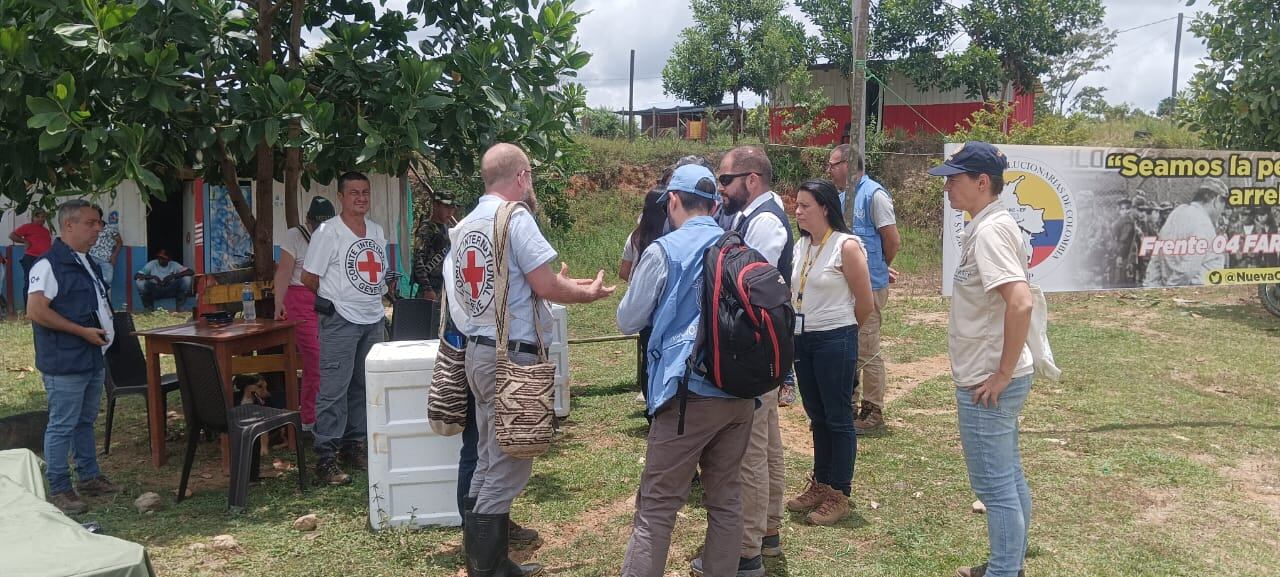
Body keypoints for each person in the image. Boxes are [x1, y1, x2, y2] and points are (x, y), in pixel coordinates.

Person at [443, 143, 614, 577]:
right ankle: (489, 568)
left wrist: (561, 282)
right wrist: (586, 293)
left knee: (487, 456)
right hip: (511, 358)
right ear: (521, 177)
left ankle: (483, 561)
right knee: (511, 464)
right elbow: (544, 286)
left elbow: (520, 282)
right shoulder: (515, 217)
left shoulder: (465, 225)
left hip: (478, 353)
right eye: (530, 175)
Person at [617, 164, 757, 577]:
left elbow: (627, 320)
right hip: (740, 392)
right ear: (715, 205)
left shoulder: (664, 250)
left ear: (673, 201)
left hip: (687, 395)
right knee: (726, 499)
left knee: (657, 506)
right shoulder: (741, 246)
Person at [929, 141, 1035, 577]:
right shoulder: (990, 224)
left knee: (994, 485)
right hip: (993, 373)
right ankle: (1009, 563)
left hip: (987, 379)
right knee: (1007, 475)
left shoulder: (991, 231)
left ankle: (1004, 570)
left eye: (955, 179)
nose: (948, 187)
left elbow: (1021, 302)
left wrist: (1002, 374)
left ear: (982, 182)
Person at [715, 145, 790, 566]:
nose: (721, 188)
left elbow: (746, 288)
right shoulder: (754, 217)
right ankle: (768, 532)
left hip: (756, 351)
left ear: (752, 180)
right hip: (763, 352)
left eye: (726, 180)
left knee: (751, 451)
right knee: (767, 445)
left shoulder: (763, 224)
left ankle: (746, 552)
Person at [784, 179, 873, 526]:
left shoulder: (846, 246)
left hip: (836, 338)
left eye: (805, 205)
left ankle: (840, 493)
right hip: (803, 338)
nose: (798, 210)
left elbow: (864, 303)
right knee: (816, 414)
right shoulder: (801, 245)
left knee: (838, 417)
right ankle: (821, 484)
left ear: (824, 207)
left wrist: (846, 335)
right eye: (797, 204)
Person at [27, 199, 120, 514]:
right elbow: (36, 311)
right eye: (91, 223)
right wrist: (81, 332)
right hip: (65, 360)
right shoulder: (48, 265)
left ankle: (89, 477)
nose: (98, 229)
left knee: (84, 420)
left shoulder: (87, 261)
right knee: (62, 424)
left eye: (99, 223)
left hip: (92, 356)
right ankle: (60, 488)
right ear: (69, 225)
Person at [302, 172, 387, 485]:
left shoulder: (376, 231)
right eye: (354, 192)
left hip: (373, 318)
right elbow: (309, 277)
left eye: (365, 192)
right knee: (333, 389)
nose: (361, 198)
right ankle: (325, 456)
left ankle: (355, 446)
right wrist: (335, 305)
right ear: (341, 196)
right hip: (340, 321)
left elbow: (378, 274)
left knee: (363, 387)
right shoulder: (328, 232)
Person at [828, 144, 900, 433]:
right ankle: (850, 406)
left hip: (869, 286)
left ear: (848, 163)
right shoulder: (844, 196)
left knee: (867, 349)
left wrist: (880, 267)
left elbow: (891, 240)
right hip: (844, 286)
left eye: (833, 164)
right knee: (848, 347)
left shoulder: (874, 195)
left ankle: (873, 412)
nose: (829, 169)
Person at [273, 196, 336, 432]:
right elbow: (283, 273)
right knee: (316, 359)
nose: (320, 229)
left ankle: (328, 413)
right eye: (316, 224)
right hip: (299, 300)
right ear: (308, 220)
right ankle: (310, 418)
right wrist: (279, 302)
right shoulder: (295, 236)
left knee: (332, 357)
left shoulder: (337, 234)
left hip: (328, 299)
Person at [1144, 178, 1229, 287]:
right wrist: (1171, 291)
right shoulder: (1204, 224)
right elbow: (1187, 269)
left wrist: (1152, 289)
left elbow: (1156, 259)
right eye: (1223, 205)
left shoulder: (1177, 213)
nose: (1222, 211)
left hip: (1171, 292)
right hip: (1197, 295)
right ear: (1216, 201)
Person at [412, 191, 458, 301]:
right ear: (435, 205)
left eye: (452, 207)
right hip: (429, 290)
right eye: (446, 207)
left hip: (444, 287)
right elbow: (418, 259)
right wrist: (427, 288)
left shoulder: (447, 229)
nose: (450, 211)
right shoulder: (426, 229)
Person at [12, 208, 52, 311]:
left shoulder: (46, 231)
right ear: (33, 218)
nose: (40, 219)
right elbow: (12, 235)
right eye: (37, 216)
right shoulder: (28, 227)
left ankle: (42, 309)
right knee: (29, 283)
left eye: (43, 217)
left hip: (44, 260)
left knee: (44, 284)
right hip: (31, 258)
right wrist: (25, 241)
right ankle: (28, 310)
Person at [87, 208, 123, 293]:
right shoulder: (89, 228)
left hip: (106, 258)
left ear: (100, 216)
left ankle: (104, 300)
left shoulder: (110, 228)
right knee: (88, 279)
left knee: (107, 280)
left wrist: (114, 256)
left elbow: (119, 242)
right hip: (91, 256)